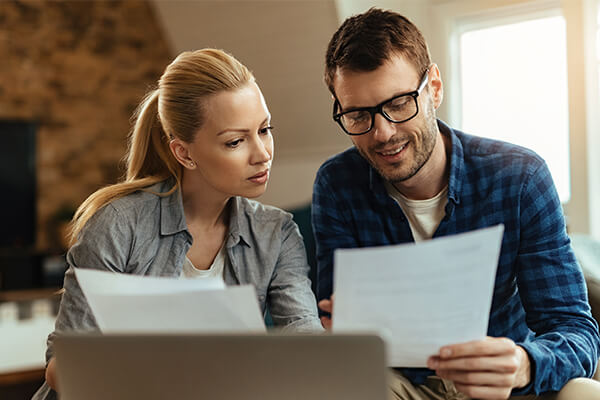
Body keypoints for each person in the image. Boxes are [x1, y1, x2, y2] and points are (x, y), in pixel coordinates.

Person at [312, 8, 600, 400]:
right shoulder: (335, 185)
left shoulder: (521, 177)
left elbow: (574, 330)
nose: (382, 133)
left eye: (398, 104)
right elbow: (338, 327)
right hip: (403, 385)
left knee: (585, 392)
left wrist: (524, 364)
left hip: (505, 387)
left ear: (433, 87)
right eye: (358, 115)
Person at [32, 48, 322, 400]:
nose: (262, 153)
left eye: (265, 129)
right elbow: (63, 366)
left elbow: (305, 339)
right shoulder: (119, 225)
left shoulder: (277, 233)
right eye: (235, 141)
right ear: (184, 153)